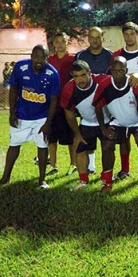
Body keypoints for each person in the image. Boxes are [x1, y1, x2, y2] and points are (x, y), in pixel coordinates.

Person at [0, 44, 60, 189]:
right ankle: (5, 177)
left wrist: (48, 123)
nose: (39, 60)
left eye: (43, 57)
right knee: (14, 145)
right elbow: (14, 90)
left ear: (48, 58)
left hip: (41, 116)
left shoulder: (52, 74)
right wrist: (12, 113)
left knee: (42, 146)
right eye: (36, 56)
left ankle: (42, 180)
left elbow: (54, 99)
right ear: (31, 56)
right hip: (22, 115)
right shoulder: (20, 67)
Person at [93, 56, 138, 193]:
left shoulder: (134, 84)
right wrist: (103, 128)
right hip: (117, 122)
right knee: (106, 145)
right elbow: (97, 106)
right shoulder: (105, 84)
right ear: (111, 70)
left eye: (121, 71)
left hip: (137, 121)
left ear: (126, 70)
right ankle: (107, 182)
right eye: (115, 70)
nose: (118, 74)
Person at [111, 22, 138, 180]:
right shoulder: (116, 55)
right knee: (123, 138)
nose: (129, 37)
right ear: (123, 35)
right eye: (126, 34)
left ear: (137, 34)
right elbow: (112, 78)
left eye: (132, 34)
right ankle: (125, 170)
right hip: (121, 103)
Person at [60, 60, 111, 191]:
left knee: (107, 149)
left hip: (107, 121)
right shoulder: (68, 89)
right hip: (87, 122)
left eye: (83, 75)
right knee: (80, 149)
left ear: (89, 73)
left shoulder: (102, 80)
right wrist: (77, 134)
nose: (80, 80)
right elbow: (69, 114)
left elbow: (120, 78)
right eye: (76, 76)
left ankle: (107, 180)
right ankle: (83, 181)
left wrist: (135, 76)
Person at [74, 26, 114, 174]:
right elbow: (75, 79)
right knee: (87, 136)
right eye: (92, 37)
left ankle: (107, 173)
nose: (95, 40)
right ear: (88, 39)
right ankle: (90, 165)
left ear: (103, 38)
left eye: (98, 37)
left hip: (105, 103)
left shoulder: (110, 55)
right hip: (85, 101)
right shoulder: (80, 56)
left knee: (107, 140)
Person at [47, 32, 76, 176]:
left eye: (62, 41)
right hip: (52, 103)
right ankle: (53, 165)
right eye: (56, 41)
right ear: (53, 43)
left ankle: (73, 164)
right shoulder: (48, 60)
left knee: (70, 137)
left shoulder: (72, 59)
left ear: (67, 42)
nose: (59, 44)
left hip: (67, 103)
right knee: (51, 137)